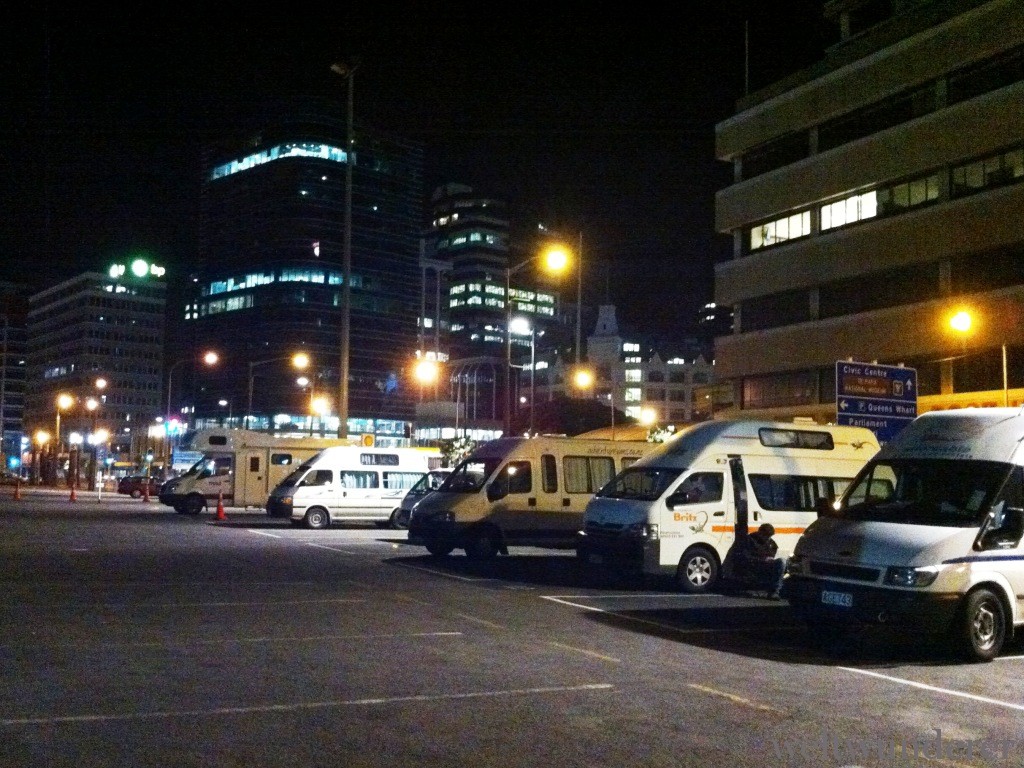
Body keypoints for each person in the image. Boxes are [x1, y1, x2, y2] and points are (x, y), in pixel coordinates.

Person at [737, 523, 787, 599]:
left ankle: (776, 591)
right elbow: (744, 557)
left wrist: (771, 559)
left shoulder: (771, 543)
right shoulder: (749, 540)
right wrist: (762, 560)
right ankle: (773, 591)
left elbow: (773, 553)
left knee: (783, 562)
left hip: (767, 565)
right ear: (760, 533)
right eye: (766, 536)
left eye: (769, 537)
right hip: (755, 566)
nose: (768, 538)